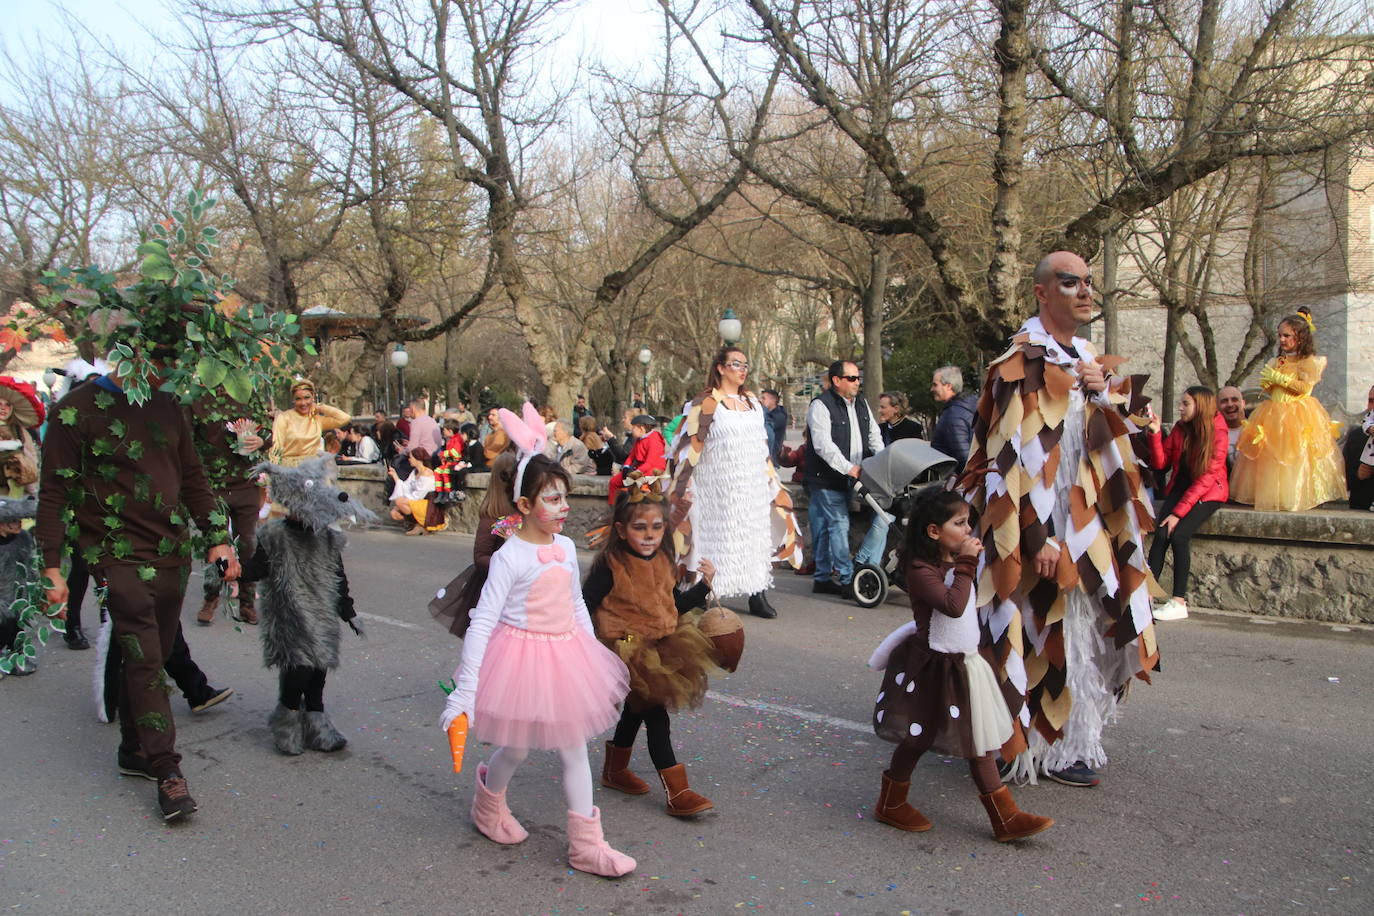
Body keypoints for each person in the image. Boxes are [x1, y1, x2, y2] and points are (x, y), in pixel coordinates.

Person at [961, 250, 1160, 789]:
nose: (1085, 291)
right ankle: (1015, 744)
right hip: (1036, 537)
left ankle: (1068, 743)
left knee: (1084, 634)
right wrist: (1036, 535)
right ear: (1042, 292)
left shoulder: (1088, 359)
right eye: (1070, 282)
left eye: (1089, 282)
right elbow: (1004, 464)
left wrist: (1108, 394)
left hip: (1088, 530)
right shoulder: (1019, 363)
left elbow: (1120, 442)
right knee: (1026, 631)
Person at [37, 363, 241, 820]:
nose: (165, 370)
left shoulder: (169, 405)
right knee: (145, 655)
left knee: (155, 648)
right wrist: (52, 567)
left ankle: (134, 749)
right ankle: (168, 772)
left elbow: (192, 476)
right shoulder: (76, 411)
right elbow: (53, 492)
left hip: (170, 552)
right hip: (111, 554)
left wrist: (216, 537)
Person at [439, 405, 636, 878]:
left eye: (565, 499)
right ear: (525, 506)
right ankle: (488, 804)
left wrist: (591, 653)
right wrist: (467, 688)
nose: (563, 509)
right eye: (552, 500)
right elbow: (483, 620)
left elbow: (575, 604)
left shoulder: (566, 547)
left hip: (566, 654)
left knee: (573, 747)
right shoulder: (511, 557)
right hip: (521, 656)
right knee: (518, 748)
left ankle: (587, 845)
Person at [869, 489, 1052, 842]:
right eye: (960, 523)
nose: (969, 529)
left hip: (964, 664)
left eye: (969, 521)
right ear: (934, 531)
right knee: (917, 738)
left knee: (977, 740)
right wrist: (967, 564)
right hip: (935, 669)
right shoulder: (920, 569)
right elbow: (952, 606)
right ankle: (891, 803)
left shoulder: (949, 560)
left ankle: (1005, 817)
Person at [585, 478, 718, 816]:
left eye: (657, 527)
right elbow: (582, 605)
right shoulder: (610, 565)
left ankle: (615, 771)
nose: (649, 535)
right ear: (621, 529)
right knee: (656, 715)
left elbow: (674, 607)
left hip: (661, 646)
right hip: (625, 651)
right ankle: (678, 792)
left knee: (636, 710)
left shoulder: (663, 561)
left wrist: (704, 587)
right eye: (640, 527)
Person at [242, 457, 374, 755]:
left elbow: (337, 576)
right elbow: (258, 569)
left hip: (322, 613)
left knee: (318, 671)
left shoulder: (327, 538)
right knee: (300, 667)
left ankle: (317, 722)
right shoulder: (274, 534)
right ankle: (286, 718)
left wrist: (348, 611)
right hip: (290, 614)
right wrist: (234, 572)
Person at [669, 347, 802, 619]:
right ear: (720, 367)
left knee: (754, 539)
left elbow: (761, 444)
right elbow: (686, 448)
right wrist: (682, 485)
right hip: (717, 488)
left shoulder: (753, 402)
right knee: (715, 539)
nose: (742, 370)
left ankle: (757, 592)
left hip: (751, 487)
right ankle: (702, 591)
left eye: (745, 365)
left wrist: (771, 479)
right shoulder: (705, 403)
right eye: (735, 364)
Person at [1230, 309, 1347, 511]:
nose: (1282, 340)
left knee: (1295, 455)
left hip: (1298, 413)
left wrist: (1280, 379)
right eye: (1280, 335)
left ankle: (1294, 497)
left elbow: (1304, 387)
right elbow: (1269, 388)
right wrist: (1269, 381)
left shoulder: (1310, 362)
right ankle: (1273, 497)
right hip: (1273, 413)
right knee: (1272, 456)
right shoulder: (1277, 361)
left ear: (1299, 337)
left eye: (1286, 335)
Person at [1145, 387, 1229, 622]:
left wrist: (1178, 514)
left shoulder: (1218, 434)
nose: (1180, 408)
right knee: (1161, 534)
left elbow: (1207, 479)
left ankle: (1179, 601)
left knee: (1179, 535)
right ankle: (1148, 595)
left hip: (1209, 492)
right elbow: (1161, 463)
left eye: (1185, 404)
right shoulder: (1180, 429)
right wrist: (1154, 434)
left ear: (1200, 406)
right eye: (1181, 403)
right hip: (1180, 487)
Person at [190, 395, 270, 626]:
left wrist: (261, 441)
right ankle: (211, 597)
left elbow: (269, 433)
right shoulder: (196, 399)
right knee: (216, 544)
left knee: (247, 545)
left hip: (246, 486)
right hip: (214, 487)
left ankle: (246, 603)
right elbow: (186, 442)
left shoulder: (247, 395)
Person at [805, 359, 883, 598]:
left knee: (828, 528)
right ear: (836, 380)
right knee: (839, 525)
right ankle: (848, 579)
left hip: (854, 474)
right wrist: (848, 467)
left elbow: (873, 435)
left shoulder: (861, 403)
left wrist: (881, 461)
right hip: (827, 477)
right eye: (851, 378)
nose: (857, 382)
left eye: (858, 378)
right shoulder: (821, 405)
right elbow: (822, 445)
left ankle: (822, 578)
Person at [268, 380, 351, 467]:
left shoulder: (316, 419)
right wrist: (274, 470)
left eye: (307, 398)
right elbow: (276, 447)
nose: (303, 403)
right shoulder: (284, 418)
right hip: (290, 469)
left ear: (313, 398)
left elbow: (344, 418)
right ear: (293, 400)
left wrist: (320, 407)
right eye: (298, 399)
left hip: (313, 469)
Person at [0, 495, 39, 676]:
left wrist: (34, 586)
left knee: (17, 626)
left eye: (18, 520)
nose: (18, 523)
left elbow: (29, 564)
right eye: (12, 520)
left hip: (17, 592)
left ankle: (17, 659)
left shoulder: (23, 539)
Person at [607, 415, 666, 505]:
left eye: (633, 428)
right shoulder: (639, 439)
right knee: (614, 482)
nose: (631, 430)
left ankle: (631, 507)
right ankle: (614, 508)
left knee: (636, 486)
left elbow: (650, 463)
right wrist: (626, 467)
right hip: (639, 468)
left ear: (641, 428)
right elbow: (632, 456)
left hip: (651, 471)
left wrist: (637, 472)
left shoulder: (655, 440)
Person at [929, 367, 978, 470]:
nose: (932, 389)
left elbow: (963, 458)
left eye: (935, 385)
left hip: (956, 480)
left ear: (948, 386)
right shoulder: (967, 407)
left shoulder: (953, 415)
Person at [388, 448, 444, 535]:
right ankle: (417, 524)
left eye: (411, 457)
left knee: (400, 502)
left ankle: (422, 525)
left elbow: (419, 495)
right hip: (418, 501)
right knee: (395, 511)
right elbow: (406, 487)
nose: (409, 460)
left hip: (428, 504)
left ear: (417, 459)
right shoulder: (414, 472)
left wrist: (399, 504)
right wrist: (395, 476)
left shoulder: (427, 473)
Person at [1342, 383, 1374, 511]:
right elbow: (1342, 481)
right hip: (1361, 507)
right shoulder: (1357, 436)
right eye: (1371, 401)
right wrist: (1358, 474)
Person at [1216, 386, 1246, 473]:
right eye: (1224, 401)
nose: (1230, 404)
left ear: (1243, 404)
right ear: (1217, 407)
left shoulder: (1259, 429)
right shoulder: (1211, 435)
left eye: (1234, 399)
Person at [760, 389, 788, 461]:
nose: (761, 400)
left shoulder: (779, 416)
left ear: (773, 400)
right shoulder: (768, 414)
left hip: (772, 457)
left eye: (764, 398)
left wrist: (763, 409)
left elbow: (766, 429)